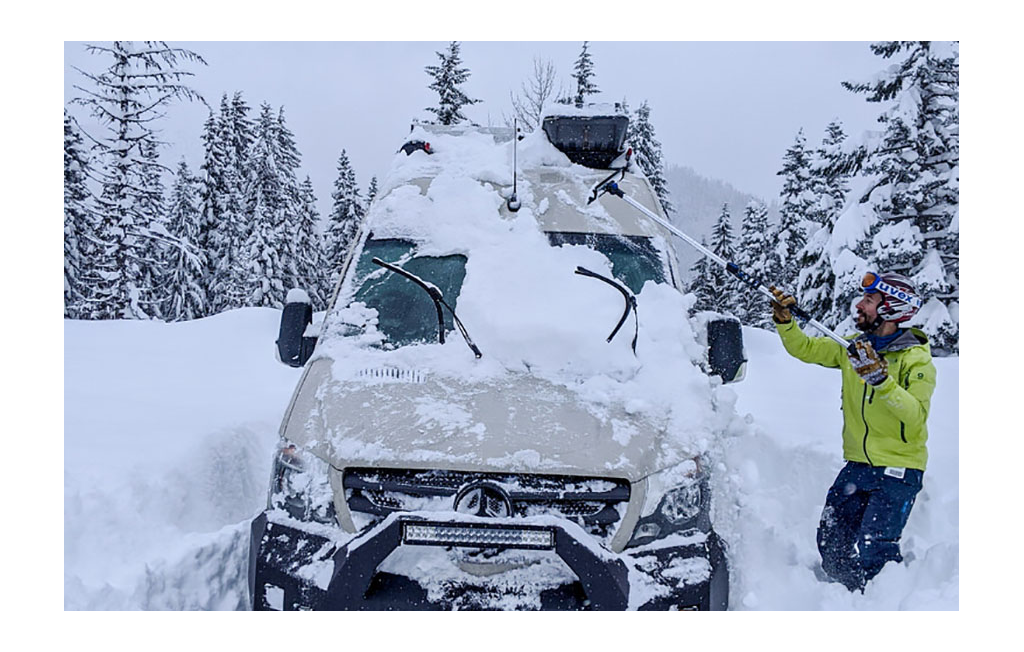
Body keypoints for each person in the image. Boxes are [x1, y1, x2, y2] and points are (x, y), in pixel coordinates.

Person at [769, 272, 937, 592]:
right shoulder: (854, 347)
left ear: (891, 309)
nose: (859, 305)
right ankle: (849, 597)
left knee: (876, 547)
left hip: (899, 468)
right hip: (858, 465)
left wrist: (881, 381)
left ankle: (884, 604)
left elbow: (915, 416)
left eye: (869, 300)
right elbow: (806, 348)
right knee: (831, 541)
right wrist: (785, 321)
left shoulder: (915, 359)